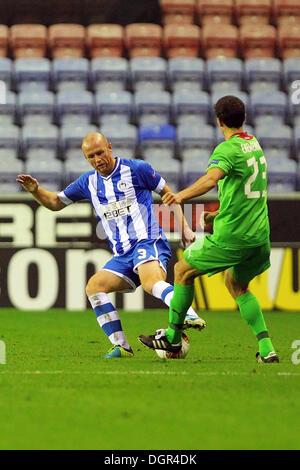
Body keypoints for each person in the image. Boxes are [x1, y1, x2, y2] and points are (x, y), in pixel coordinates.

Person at [17, 132, 206, 358]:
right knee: (94, 287)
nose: (97, 159)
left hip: (148, 240)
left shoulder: (137, 169)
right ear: (86, 158)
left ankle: (190, 314)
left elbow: (168, 194)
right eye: (91, 156)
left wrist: (184, 228)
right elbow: (55, 203)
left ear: (109, 147)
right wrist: (36, 191)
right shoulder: (88, 182)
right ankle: (122, 346)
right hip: (123, 255)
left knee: (151, 283)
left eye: (100, 153)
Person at [139, 95, 279, 364]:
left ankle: (172, 336)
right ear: (244, 118)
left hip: (234, 237)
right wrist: (217, 214)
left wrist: (180, 196)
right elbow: (247, 193)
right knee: (236, 284)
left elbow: (210, 179)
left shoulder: (226, 150)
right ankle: (267, 348)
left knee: (182, 270)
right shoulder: (255, 146)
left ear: (218, 121)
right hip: (260, 238)